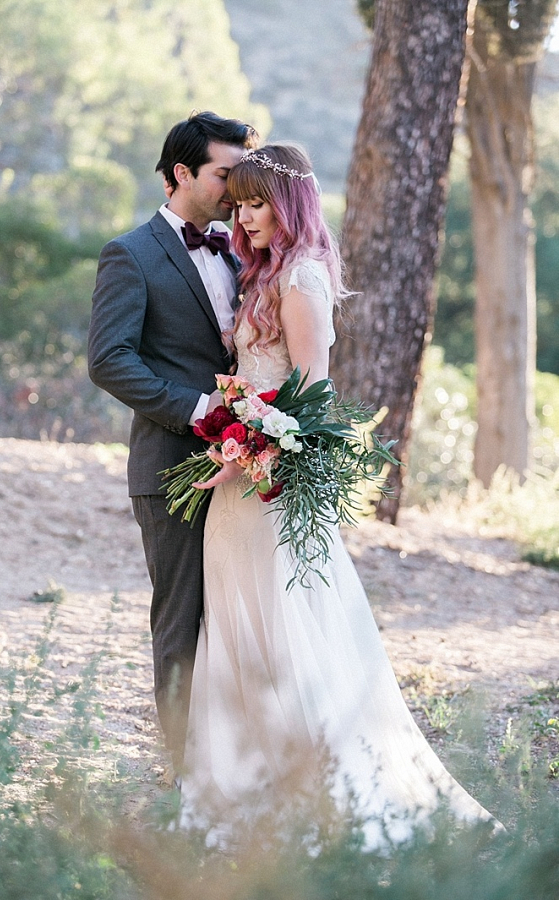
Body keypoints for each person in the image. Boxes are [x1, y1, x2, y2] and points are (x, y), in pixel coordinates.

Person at [179, 143, 500, 849]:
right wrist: (232, 420)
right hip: (235, 487)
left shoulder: (303, 279)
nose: (246, 218)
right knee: (237, 626)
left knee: (290, 632)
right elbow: (259, 382)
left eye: (258, 203)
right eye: (239, 205)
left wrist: (254, 446)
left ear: (289, 203)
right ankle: (239, 784)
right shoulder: (260, 274)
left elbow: (311, 397)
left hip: (269, 487)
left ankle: (316, 794)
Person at [88, 111, 258, 776]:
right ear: (180, 174)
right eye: (225, 174)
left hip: (246, 469)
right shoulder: (129, 254)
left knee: (241, 620)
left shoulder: (243, 247)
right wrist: (199, 410)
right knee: (182, 625)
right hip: (173, 469)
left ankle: (237, 765)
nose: (236, 188)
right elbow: (109, 361)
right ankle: (184, 776)